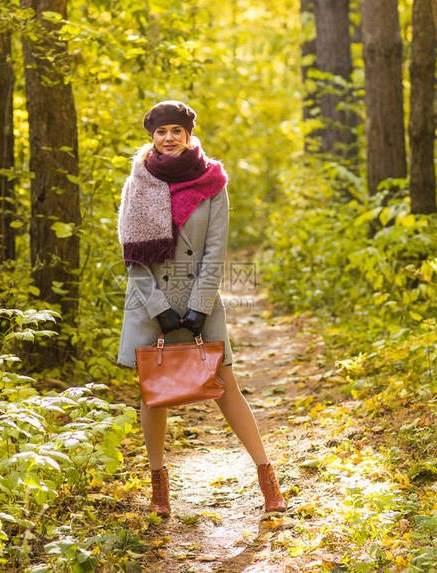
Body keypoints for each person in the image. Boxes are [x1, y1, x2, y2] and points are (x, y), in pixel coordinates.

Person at [116, 100, 286, 517]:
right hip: (149, 303)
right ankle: (159, 489)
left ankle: (268, 481)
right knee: (153, 397)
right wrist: (160, 310)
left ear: (189, 135)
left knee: (226, 387)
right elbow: (133, 259)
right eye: (161, 132)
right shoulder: (137, 182)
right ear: (151, 137)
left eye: (176, 130)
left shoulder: (213, 182)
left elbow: (215, 251)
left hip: (200, 299)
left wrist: (197, 309)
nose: (168, 138)